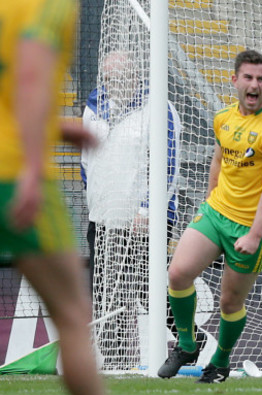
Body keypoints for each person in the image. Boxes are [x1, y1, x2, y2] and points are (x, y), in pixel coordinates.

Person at [157, 49, 262, 383]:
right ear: (234, 80)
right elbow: (218, 161)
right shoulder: (223, 118)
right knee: (177, 274)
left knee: (229, 303)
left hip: (249, 227)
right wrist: (208, 203)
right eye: (248, 77)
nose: (255, 84)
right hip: (216, 213)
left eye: (261, 79)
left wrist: (254, 235)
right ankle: (187, 344)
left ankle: (219, 362)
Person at [0, 1, 106, 395]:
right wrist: (30, 168)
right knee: (72, 315)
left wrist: (52, 126)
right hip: (11, 172)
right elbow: (29, 74)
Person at [80, 50, 186, 368]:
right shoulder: (93, 105)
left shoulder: (159, 108)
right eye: (109, 78)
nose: (115, 85)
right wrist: (94, 200)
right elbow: (86, 161)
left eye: (121, 78)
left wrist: (147, 210)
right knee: (105, 295)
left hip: (144, 220)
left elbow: (169, 165)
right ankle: (118, 363)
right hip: (103, 217)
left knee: (149, 289)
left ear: (136, 74)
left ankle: (190, 338)